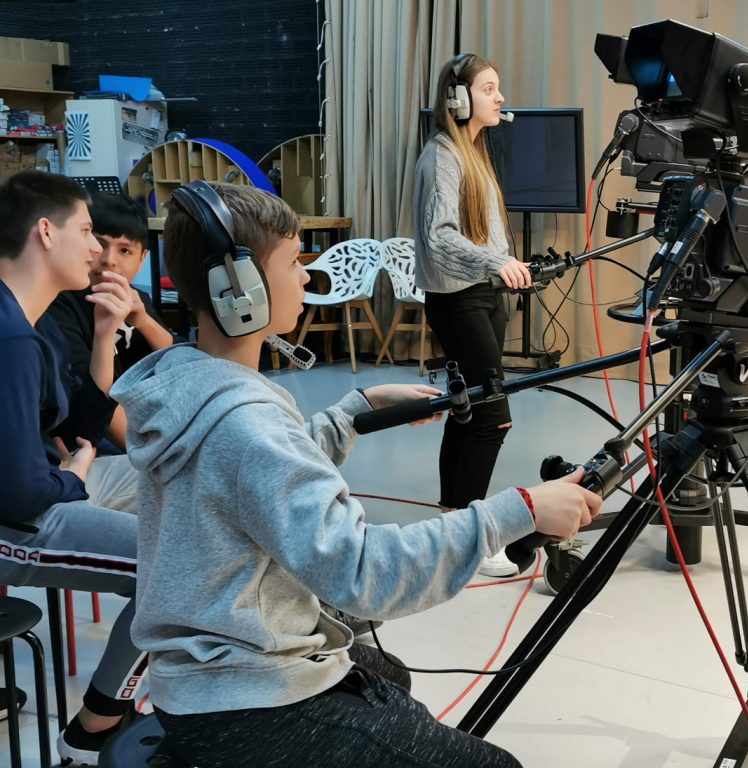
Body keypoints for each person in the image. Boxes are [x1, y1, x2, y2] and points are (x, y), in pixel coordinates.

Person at [110, 182, 600, 768]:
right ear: (238, 290)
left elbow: (252, 478)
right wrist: (516, 512)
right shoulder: (246, 422)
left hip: (197, 680)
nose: (305, 277)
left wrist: (353, 412)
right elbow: (363, 573)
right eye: (293, 263)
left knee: (388, 674)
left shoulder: (193, 384)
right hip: (245, 702)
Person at [0, 171, 146, 765]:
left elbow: (84, 411)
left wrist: (108, 333)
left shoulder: (32, 323)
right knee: (173, 569)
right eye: (87, 232)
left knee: (182, 512)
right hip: (18, 518)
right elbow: (21, 494)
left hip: (39, 492)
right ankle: (95, 730)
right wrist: (74, 478)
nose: (96, 250)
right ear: (44, 232)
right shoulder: (11, 338)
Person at [414, 53, 532, 577]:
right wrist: (494, 262)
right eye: (488, 88)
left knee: (466, 413)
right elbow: (438, 236)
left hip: (483, 295)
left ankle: (452, 522)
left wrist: (506, 265)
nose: (499, 97)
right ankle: (472, 541)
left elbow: (482, 235)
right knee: (491, 417)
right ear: (458, 99)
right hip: (459, 299)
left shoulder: (474, 153)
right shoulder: (442, 156)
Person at [43, 192, 178, 452]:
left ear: (142, 259)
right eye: (99, 243)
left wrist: (144, 320)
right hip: (83, 438)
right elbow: (89, 404)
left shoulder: (137, 299)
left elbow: (179, 365)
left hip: (137, 424)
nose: (108, 260)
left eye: (125, 250)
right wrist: (150, 453)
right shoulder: (60, 304)